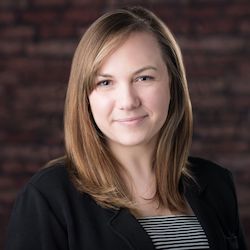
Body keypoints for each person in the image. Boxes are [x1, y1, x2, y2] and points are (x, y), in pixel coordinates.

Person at [5, 6, 247, 250]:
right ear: (85, 97)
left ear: (172, 84)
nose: (128, 101)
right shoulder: (48, 198)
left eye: (144, 78)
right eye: (105, 82)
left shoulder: (216, 184)